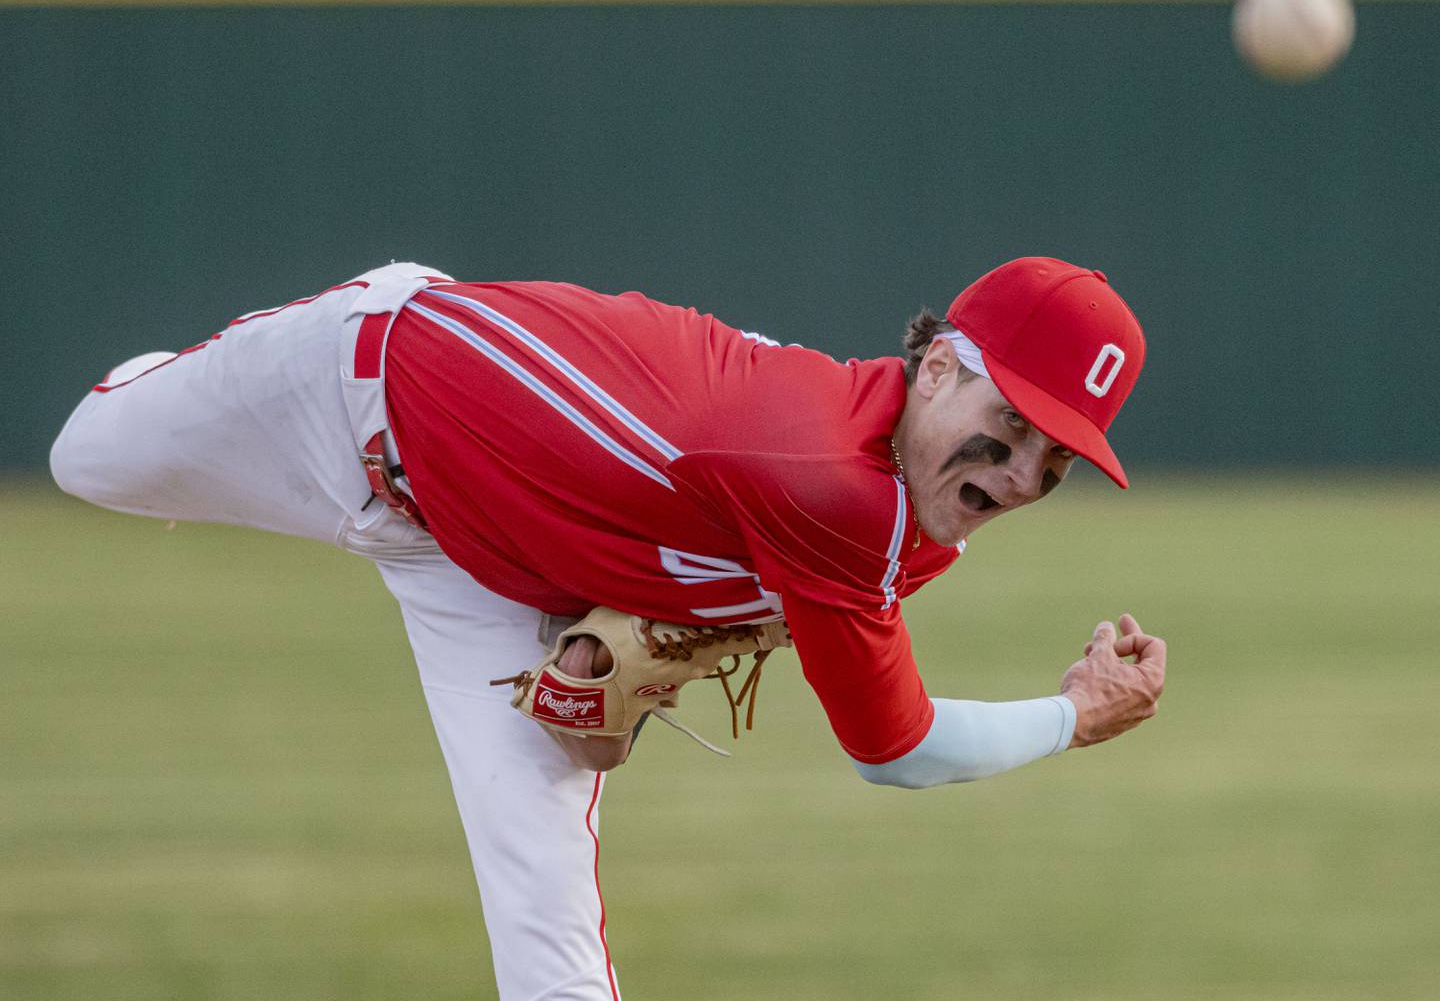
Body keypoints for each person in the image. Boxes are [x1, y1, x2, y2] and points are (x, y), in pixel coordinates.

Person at [50, 255, 1166, 1001]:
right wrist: (1076, 714)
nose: (1019, 475)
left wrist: (613, 640)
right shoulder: (833, 487)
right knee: (87, 460)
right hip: (358, 388)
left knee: (553, 956)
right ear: (935, 368)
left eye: (1054, 461)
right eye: (1008, 426)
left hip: (486, 578)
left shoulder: (903, 491)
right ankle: (187, 377)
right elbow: (896, 751)